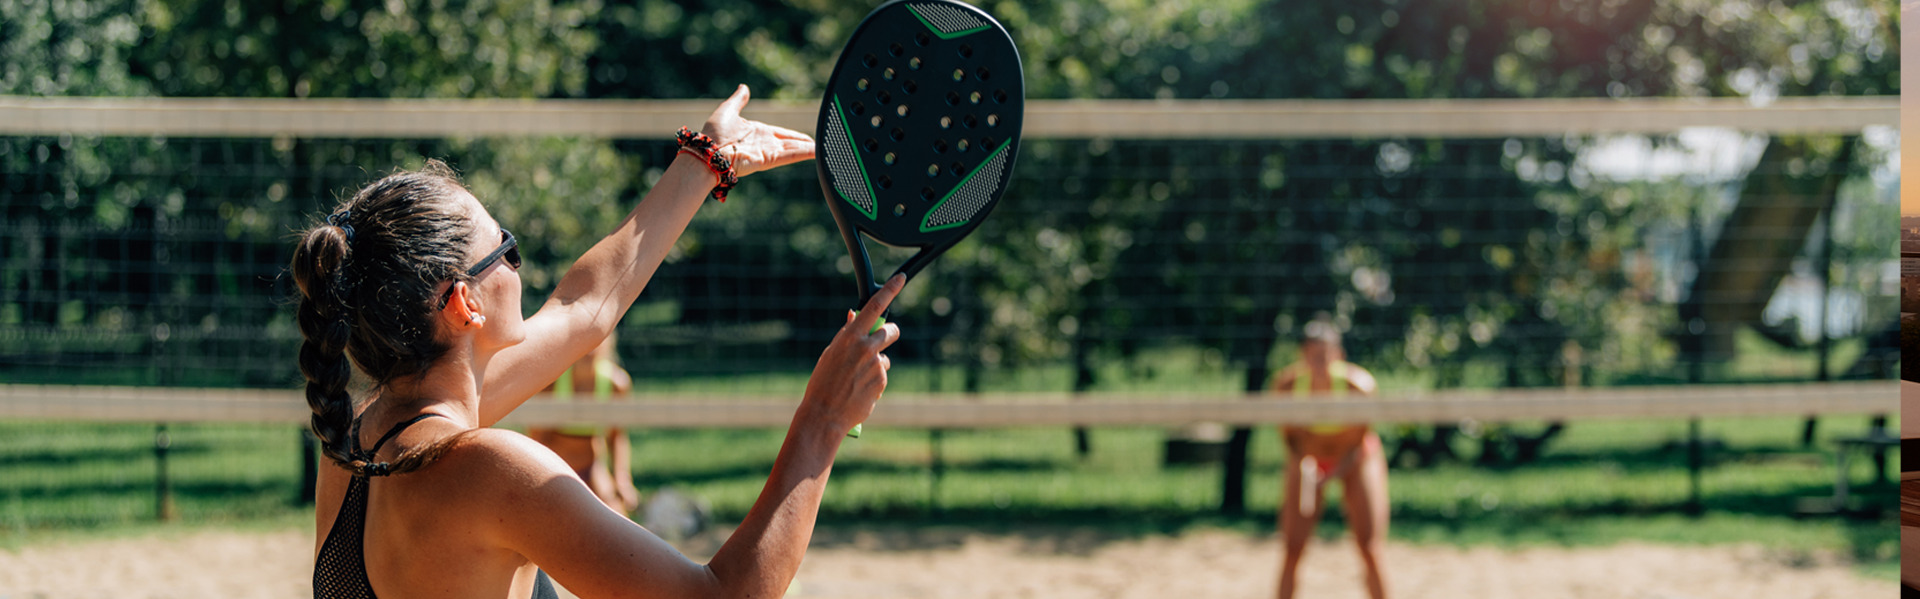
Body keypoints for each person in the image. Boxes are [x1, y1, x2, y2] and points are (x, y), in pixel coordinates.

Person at [295, 85, 905, 598]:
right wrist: (824, 419)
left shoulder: (353, 447)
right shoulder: (492, 469)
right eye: (504, 248)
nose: (518, 263)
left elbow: (586, 306)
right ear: (463, 304)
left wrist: (708, 159)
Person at [1269, 317, 1388, 599]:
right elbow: (1291, 441)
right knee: (1292, 547)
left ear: (1340, 356)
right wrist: (1310, 470)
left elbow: (1359, 443)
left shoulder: (1358, 388)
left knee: (1369, 547)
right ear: (1302, 356)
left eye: (1325, 356)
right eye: (1312, 356)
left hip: (1355, 461)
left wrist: (1333, 473)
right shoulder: (1287, 387)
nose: (1319, 363)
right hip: (1308, 462)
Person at [527, 333, 641, 514]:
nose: (591, 349)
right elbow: (536, 439)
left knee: (616, 516)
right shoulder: (553, 382)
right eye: (586, 341)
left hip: (592, 467)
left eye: (597, 340)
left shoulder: (616, 384)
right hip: (555, 468)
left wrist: (622, 480)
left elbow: (617, 436)